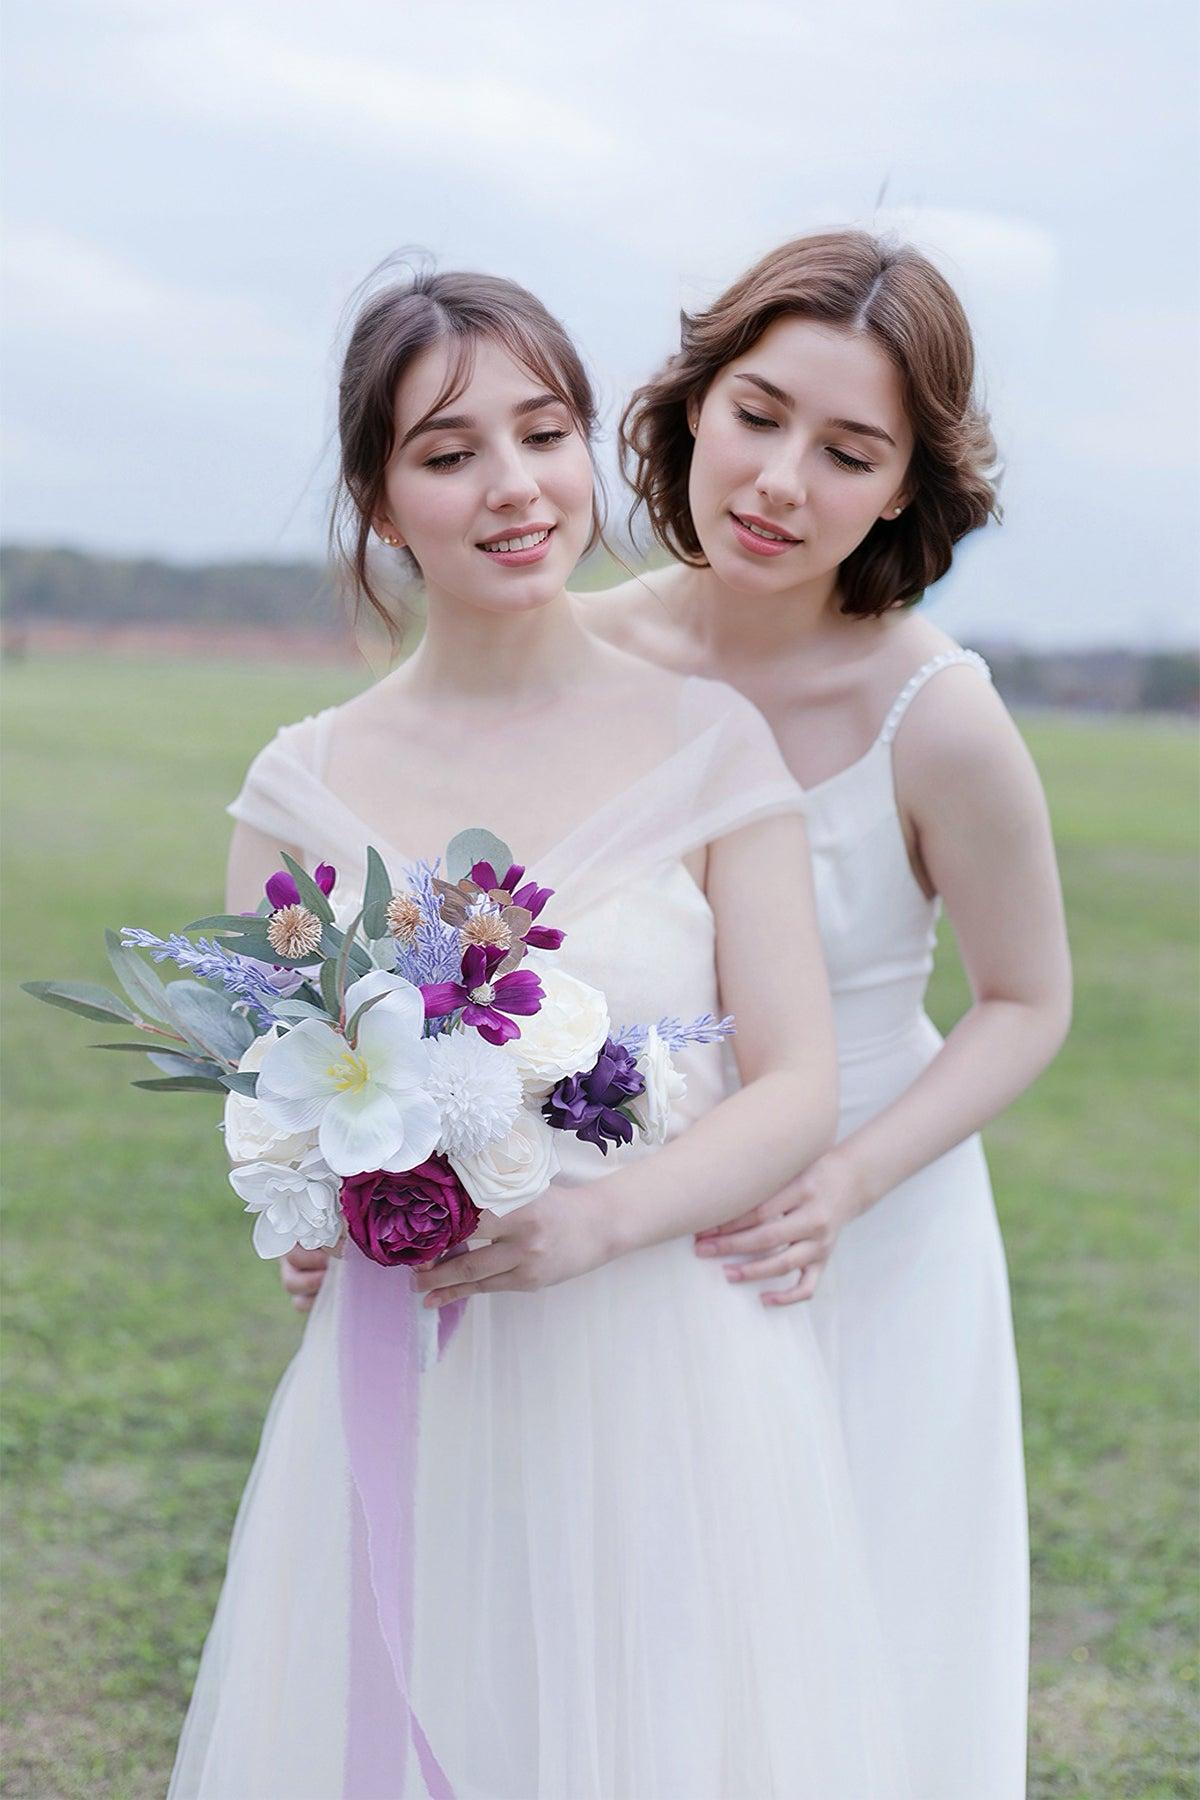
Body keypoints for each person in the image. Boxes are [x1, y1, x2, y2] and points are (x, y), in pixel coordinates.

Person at [284, 230, 1072, 1799]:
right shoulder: (589, 650)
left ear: (907, 487)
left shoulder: (940, 714)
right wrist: (364, 1178)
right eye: (759, 415)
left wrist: (842, 1178)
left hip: (872, 1210)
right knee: (636, 1651)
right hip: (629, 1225)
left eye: (850, 452)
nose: (781, 481)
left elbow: (1027, 1000)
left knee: (871, 1644)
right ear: (692, 405)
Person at [169, 267, 911, 1798]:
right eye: (449, 454)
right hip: (420, 1365)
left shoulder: (711, 743)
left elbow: (796, 1083)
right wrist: (317, 1201)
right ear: (381, 499)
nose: (513, 489)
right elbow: (271, 1089)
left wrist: (603, 1225)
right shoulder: (299, 789)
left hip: (672, 1363)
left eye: (544, 432)